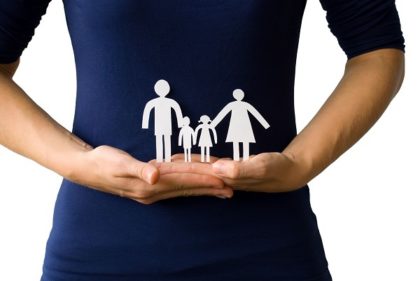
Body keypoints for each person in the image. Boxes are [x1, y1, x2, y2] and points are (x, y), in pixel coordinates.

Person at [0, 1, 405, 280]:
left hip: (269, 250)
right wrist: (79, 163)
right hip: (98, 253)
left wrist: (300, 163)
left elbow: (377, 49)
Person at [211, 89, 270, 161]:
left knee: (242, 141)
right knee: (238, 142)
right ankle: (237, 159)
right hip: (236, 125)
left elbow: (255, 113)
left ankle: (245, 159)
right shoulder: (237, 104)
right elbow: (222, 113)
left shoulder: (238, 104)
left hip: (244, 125)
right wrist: (212, 125)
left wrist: (265, 124)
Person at [142, 79, 184, 163]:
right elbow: (147, 111)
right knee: (159, 142)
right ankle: (160, 159)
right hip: (159, 126)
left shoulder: (170, 102)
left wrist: (180, 123)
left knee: (166, 141)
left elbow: (177, 110)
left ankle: (167, 159)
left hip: (167, 126)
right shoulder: (154, 102)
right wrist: (145, 124)